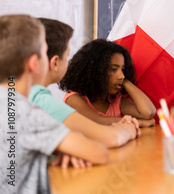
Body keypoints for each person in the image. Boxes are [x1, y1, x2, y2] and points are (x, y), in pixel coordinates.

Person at [0, 15, 108, 193]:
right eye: (44, 52)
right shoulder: (24, 112)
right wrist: (66, 146)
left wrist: (55, 148)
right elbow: (99, 153)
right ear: (34, 64)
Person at [29, 18, 140, 148]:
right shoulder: (43, 101)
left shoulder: (18, 95)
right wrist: (130, 127)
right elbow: (110, 140)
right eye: (67, 56)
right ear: (54, 63)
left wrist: (59, 152)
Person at [59, 39, 156, 127]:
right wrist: (139, 123)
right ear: (94, 71)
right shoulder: (74, 98)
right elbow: (97, 121)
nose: (121, 75)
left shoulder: (114, 100)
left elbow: (148, 112)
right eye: (113, 69)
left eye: (122, 69)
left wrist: (125, 81)